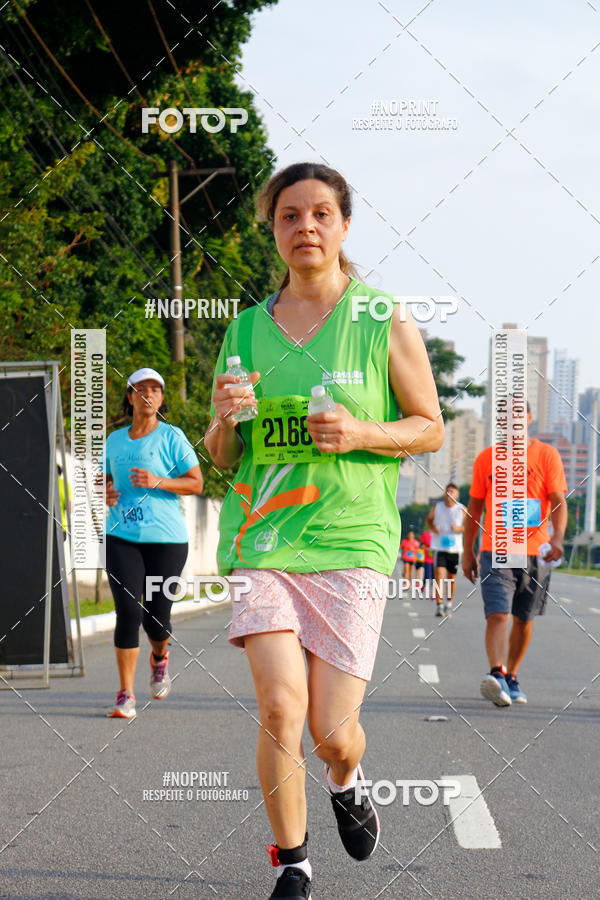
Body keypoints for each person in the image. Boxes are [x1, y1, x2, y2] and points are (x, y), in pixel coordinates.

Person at [204, 162, 444, 900]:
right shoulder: (244, 328)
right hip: (264, 539)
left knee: (331, 730)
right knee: (281, 707)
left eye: (320, 214)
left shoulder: (381, 318)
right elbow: (223, 456)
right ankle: (294, 864)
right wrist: (220, 418)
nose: (304, 227)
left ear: (342, 225)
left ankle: (349, 776)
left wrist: (361, 430)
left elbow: (430, 428)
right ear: (272, 230)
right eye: (289, 216)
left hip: (349, 540)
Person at [103, 367, 203, 718]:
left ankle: (160, 657)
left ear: (161, 399)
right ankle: (125, 694)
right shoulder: (114, 440)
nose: (148, 394)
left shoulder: (172, 437)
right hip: (121, 537)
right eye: (140, 389)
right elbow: (106, 481)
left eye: (155, 390)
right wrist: (107, 491)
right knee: (128, 612)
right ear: (129, 396)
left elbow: (196, 483)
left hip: (166, 540)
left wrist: (158, 480)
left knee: (156, 620)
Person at [462, 402, 567, 706]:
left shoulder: (547, 455)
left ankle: (511, 676)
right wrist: (468, 553)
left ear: (530, 418)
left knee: (523, 619)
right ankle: (497, 674)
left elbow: (559, 501)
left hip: (536, 552)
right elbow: (475, 509)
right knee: (498, 614)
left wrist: (558, 538)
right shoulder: (486, 459)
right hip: (496, 550)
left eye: (519, 415)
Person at [426, 483, 465, 616]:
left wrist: (459, 529)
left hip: (454, 549)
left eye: (452, 491)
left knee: (451, 578)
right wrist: (433, 528)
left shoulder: (462, 509)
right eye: (447, 491)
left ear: (457, 495)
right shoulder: (437, 507)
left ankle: (449, 603)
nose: (449, 493)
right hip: (439, 547)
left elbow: (470, 527)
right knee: (439, 576)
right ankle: (439, 605)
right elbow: (429, 520)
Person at [420, 528, 435, 597]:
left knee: (434, 577)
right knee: (427, 576)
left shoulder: (438, 534)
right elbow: (421, 545)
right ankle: (423, 586)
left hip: (436, 559)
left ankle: (433, 593)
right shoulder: (425, 534)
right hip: (427, 559)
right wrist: (427, 549)